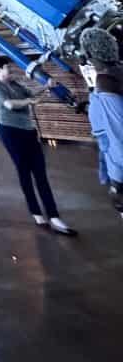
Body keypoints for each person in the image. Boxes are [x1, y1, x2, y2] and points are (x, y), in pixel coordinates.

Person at [0, 57, 76, 235]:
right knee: (24, 171)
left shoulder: (16, 84)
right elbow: (10, 105)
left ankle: (54, 216)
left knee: (40, 172)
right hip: (10, 131)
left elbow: (32, 96)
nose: (11, 71)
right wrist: (29, 102)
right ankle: (36, 212)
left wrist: (47, 87)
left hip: (28, 130)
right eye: (7, 68)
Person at [80, 27, 123, 222]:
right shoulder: (117, 73)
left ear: (88, 54)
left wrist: (117, 182)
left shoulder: (106, 83)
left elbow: (118, 133)